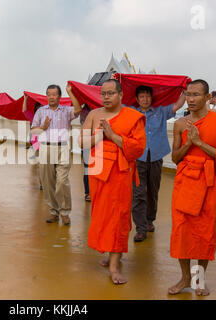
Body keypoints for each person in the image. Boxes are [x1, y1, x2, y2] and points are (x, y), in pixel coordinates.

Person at [168, 79, 216, 296]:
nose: (190, 99)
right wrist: (189, 143)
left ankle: (199, 280)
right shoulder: (181, 124)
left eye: (196, 95)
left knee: (203, 235)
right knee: (182, 232)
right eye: (188, 94)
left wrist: (200, 143)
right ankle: (184, 278)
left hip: (208, 185)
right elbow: (175, 158)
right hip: (184, 183)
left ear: (208, 97)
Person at [81, 79, 146, 284]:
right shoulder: (94, 114)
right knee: (101, 214)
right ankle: (110, 254)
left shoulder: (132, 117)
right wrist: (100, 136)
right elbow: (81, 141)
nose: (106, 97)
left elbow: (137, 149)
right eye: (103, 94)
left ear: (120, 95)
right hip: (98, 170)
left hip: (120, 172)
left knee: (118, 217)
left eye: (110, 93)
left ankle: (114, 266)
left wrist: (113, 135)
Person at [129, 86, 186, 242]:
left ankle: (149, 221)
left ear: (151, 98)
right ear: (137, 99)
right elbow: (116, 102)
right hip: (138, 157)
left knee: (152, 191)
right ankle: (140, 228)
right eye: (142, 96)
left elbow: (178, 105)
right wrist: (116, 81)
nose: (145, 99)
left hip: (156, 156)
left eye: (148, 96)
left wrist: (185, 90)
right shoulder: (131, 112)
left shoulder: (160, 111)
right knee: (138, 193)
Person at [31, 84, 81, 226]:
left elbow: (78, 110)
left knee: (61, 182)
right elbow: (33, 130)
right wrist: (43, 127)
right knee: (48, 182)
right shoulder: (41, 111)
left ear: (59, 96)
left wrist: (69, 92)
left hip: (62, 148)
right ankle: (54, 211)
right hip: (46, 148)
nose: (51, 97)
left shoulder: (66, 110)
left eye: (54, 94)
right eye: (49, 94)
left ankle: (64, 212)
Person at [23, 97, 42, 189]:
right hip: (37, 142)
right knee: (42, 163)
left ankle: (46, 182)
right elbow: (24, 110)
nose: (40, 108)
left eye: (41, 106)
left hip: (47, 141)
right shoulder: (33, 117)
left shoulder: (48, 116)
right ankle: (42, 183)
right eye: (38, 107)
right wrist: (25, 99)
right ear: (36, 108)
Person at [80, 104, 92, 202]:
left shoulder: (104, 108)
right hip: (88, 143)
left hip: (101, 143)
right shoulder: (84, 110)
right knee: (88, 169)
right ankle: (88, 192)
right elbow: (84, 125)